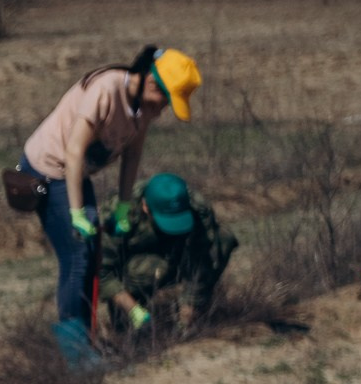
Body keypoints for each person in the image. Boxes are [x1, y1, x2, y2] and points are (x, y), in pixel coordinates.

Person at [16, 46, 202, 359]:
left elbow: (132, 156)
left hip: (75, 173)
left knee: (92, 253)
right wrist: (76, 213)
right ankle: (73, 352)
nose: (163, 110)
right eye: (165, 101)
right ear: (152, 83)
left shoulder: (142, 109)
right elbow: (74, 151)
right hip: (48, 170)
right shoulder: (106, 90)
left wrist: (123, 207)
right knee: (77, 254)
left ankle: (85, 339)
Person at [99, 170, 236, 333]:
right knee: (151, 270)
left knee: (222, 240)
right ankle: (125, 320)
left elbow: (201, 260)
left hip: (175, 252)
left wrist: (188, 312)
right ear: (145, 207)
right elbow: (102, 272)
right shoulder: (120, 213)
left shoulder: (196, 208)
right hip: (133, 264)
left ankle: (190, 316)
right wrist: (134, 311)